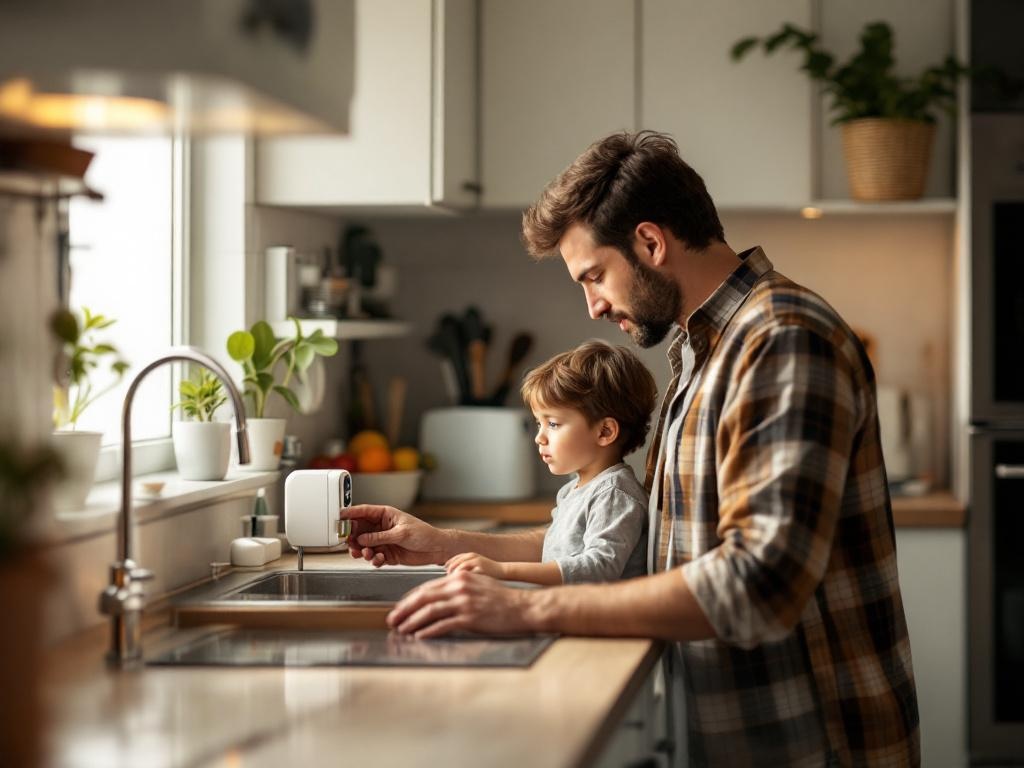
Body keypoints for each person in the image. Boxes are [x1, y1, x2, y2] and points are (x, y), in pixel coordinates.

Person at [344, 130, 920, 766]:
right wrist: (444, 543)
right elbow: (623, 547)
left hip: (814, 741)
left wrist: (525, 609)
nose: (592, 306)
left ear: (650, 242)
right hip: (741, 733)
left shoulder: (780, 340)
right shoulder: (702, 352)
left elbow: (758, 584)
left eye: (594, 275)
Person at [446, 339, 656, 586]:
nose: (539, 437)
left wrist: (503, 570)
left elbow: (598, 567)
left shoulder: (614, 494)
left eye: (553, 424)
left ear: (605, 432)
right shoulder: (573, 490)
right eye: (539, 423)